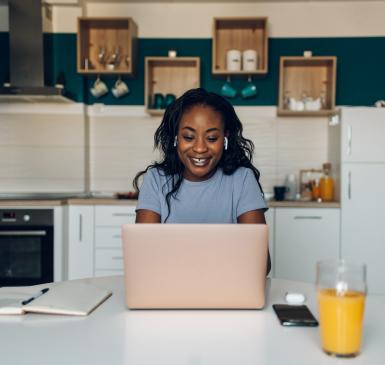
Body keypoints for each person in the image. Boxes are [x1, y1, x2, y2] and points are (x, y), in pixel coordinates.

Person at [133, 88, 271, 274]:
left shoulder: (242, 179)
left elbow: (261, 264)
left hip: (228, 290)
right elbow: (143, 258)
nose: (199, 148)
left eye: (212, 138)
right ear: (176, 138)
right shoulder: (156, 180)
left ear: (225, 138)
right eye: (188, 137)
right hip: (169, 289)